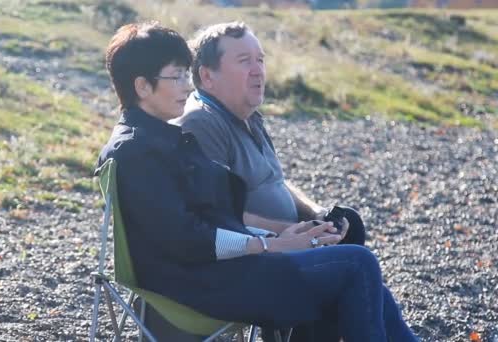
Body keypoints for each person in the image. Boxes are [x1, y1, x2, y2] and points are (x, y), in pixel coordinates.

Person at [96, 21, 418, 342]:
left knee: (344, 250)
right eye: (176, 76)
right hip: (200, 283)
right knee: (356, 264)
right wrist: (270, 245)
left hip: (216, 271)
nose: (186, 86)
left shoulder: (159, 139)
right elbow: (188, 239)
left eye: (186, 74)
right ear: (142, 86)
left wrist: (280, 235)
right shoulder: (138, 150)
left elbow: (211, 218)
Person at [172, 22, 376, 341]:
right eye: (244, 61)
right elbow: (218, 214)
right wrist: (284, 234)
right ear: (207, 76)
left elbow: (274, 181)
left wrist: (315, 214)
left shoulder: (248, 115)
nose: (258, 71)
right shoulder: (202, 122)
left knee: (347, 223)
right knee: (352, 269)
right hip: (254, 256)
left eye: (261, 60)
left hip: (285, 241)